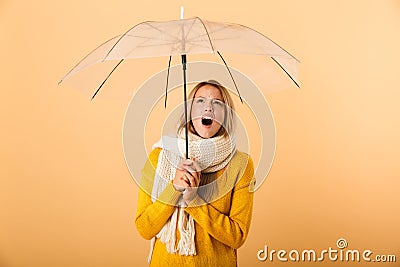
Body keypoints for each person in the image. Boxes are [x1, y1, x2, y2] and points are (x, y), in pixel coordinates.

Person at [135, 80, 255, 266]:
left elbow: (237, 236)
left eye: (217, 103)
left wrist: (194, 201)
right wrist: (174, 188)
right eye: (200, 101)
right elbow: (144, 228)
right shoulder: (160, 156)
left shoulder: (241, 164)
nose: (208, 108)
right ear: (189, 112)